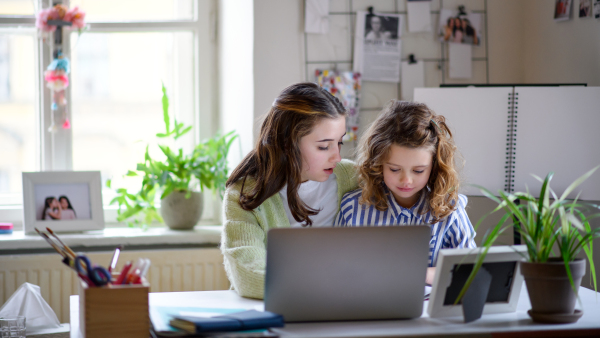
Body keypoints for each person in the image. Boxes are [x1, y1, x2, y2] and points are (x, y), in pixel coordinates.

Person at [221, 82, 358, 299]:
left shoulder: (351, 177)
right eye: (324, 146)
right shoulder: (245, 193)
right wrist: (328, 287)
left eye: (339, 143)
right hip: (271, 312)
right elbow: (247, 273)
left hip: (342, 307)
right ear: (287, 143)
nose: (337, 157)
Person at [334, 100, 476, 285]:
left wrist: (420, 274)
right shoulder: (353, 208)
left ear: (434, 167)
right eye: (394, 169)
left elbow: (470, 268)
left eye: (418, 171)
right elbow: (336, 268)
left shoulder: (449, 209)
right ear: (378, 164)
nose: (406, 181)